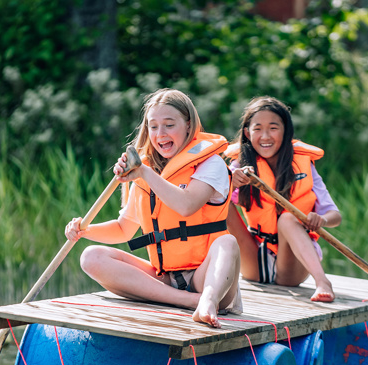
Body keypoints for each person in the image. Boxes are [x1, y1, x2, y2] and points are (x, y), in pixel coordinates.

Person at [65, 88, 242, 328]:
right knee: (91, 256)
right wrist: (83, 230)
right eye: (153, 126)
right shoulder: (144, 169)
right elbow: (123, 229)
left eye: (169, 125)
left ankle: (208, 302)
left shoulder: (210, 164)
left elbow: (187, 205)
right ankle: (190, 301)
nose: (160, 134)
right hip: (165, 279)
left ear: (189, 126)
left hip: (208, 276)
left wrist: (145, 173)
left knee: (228, 242)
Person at [225, 96, 342, 302]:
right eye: (258, 128)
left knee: (287, 218)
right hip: (255, 259)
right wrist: (231, 183)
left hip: (291, 266)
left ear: (285, 131)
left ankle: (323, 282)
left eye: (273, 128)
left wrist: (321, 220)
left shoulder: (303, 165)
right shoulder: (240, 165)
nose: (265, 136)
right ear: (247, 133)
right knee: (220, 201)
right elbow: (211, 202)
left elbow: (335, 216)